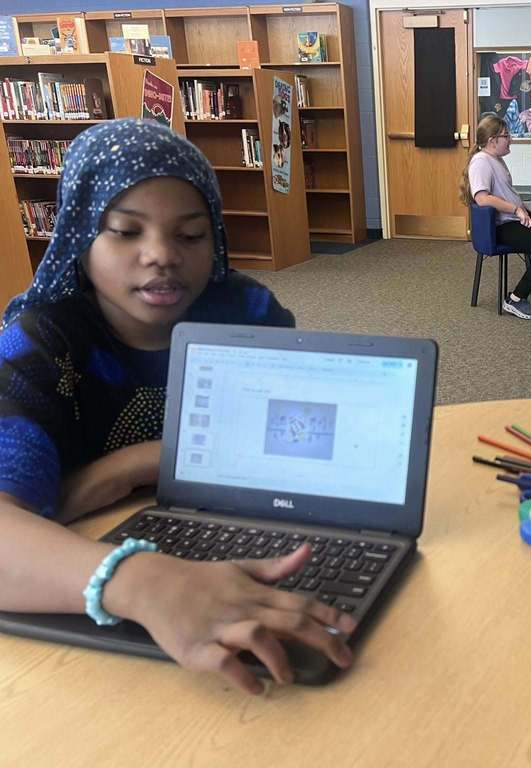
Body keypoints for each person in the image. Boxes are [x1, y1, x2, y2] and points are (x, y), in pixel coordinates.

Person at [0, 119, 355, 694]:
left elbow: (292, 454)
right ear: (78, 236)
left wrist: (115, 473)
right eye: (124, 232)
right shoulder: (37, 346)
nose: (161, 256)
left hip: (242, 546)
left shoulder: (247, 314)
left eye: (190, 236)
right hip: (77, 613)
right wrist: (144, 577)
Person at [460, 113, 531, 320]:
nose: (510, 140)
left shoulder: (495, 159)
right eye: (506, 136)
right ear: (492, 141)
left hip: (513, 219)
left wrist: (522, 207)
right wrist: (516, 209)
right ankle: (515, 299)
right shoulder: (481, 162)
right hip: (503, 226)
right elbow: (482, 198)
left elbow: (503, 192)